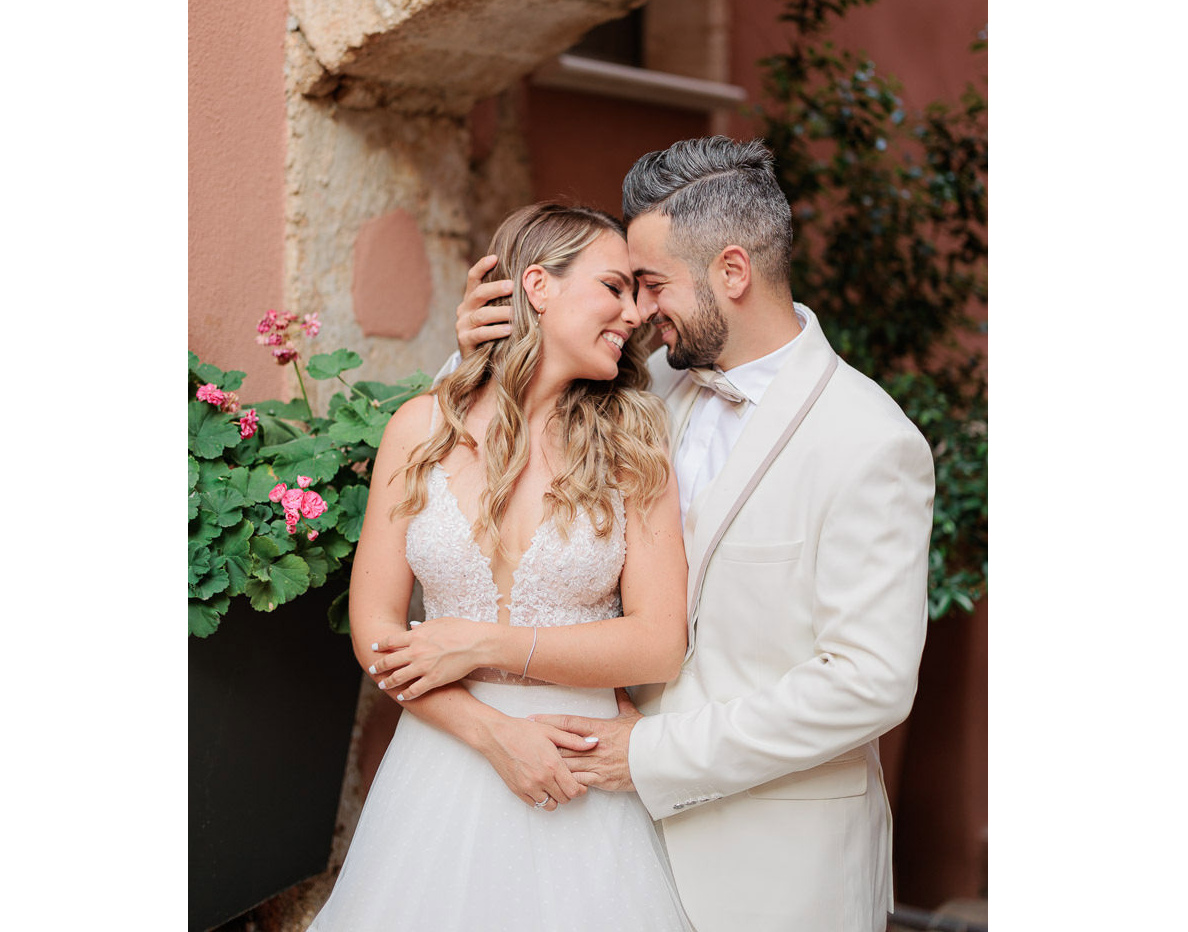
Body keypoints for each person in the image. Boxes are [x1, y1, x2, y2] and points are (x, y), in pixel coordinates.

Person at [452, 137, 936, 932]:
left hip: (776, 869)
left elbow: (868, 683)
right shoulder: (639, 387)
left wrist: (649, 756)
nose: (637, 311)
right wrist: (476, 351)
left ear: (733, 273)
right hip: (604, 849)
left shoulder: (870, 441)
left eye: (651, 284)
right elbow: (498, 447)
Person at [307, 202, 693, 932]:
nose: (635, 312)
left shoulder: (634, 441)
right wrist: (493, 735)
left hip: (578, 772)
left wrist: (483, 644)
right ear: (538, 287)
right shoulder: (419, 430)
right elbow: (376, 632)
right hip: (441, 767)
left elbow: (658, 643)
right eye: (614, 286)